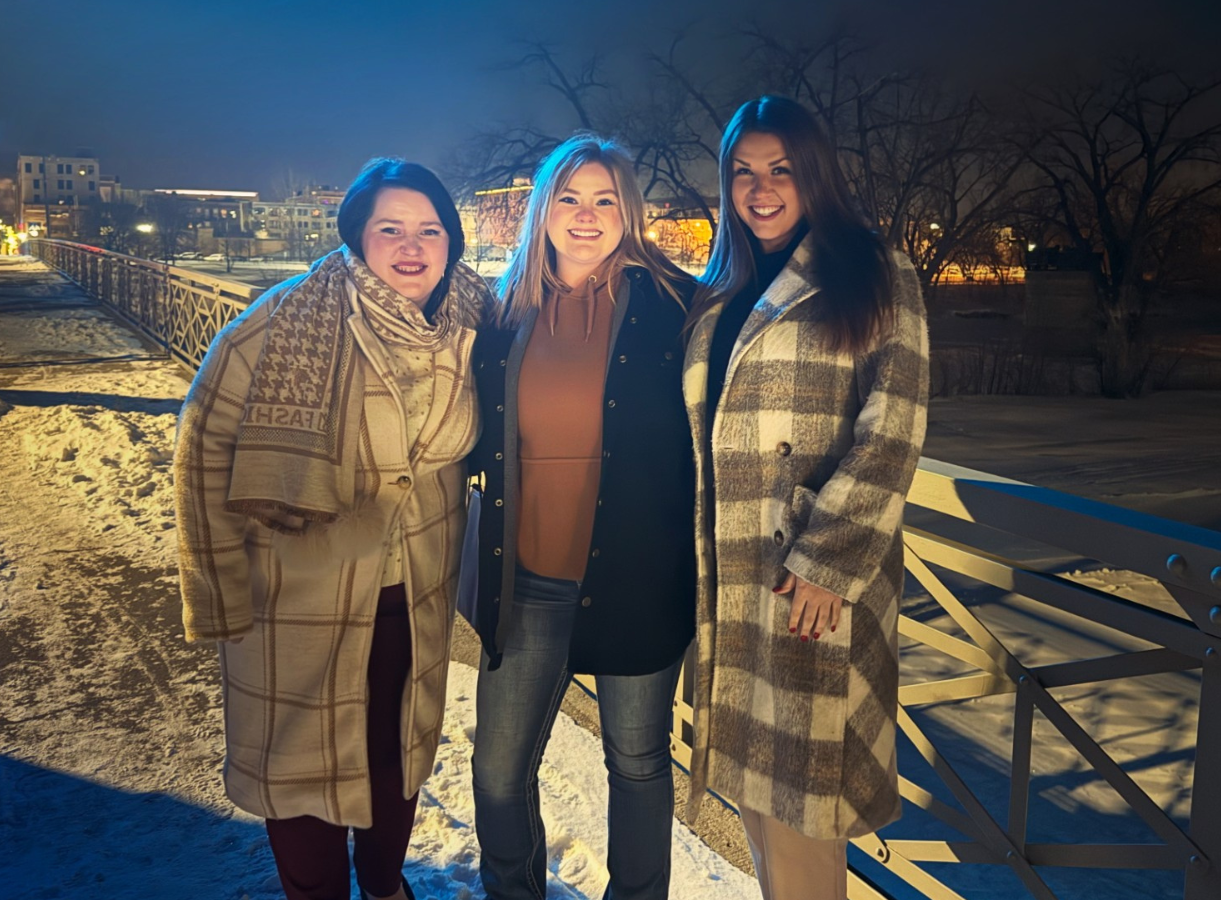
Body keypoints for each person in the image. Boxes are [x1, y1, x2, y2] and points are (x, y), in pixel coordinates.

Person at [175, 158, 490, 900]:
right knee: (302, 770)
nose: (411, 246)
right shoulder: (285, 320)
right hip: (298, 596)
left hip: (415, 590)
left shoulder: (474, 321)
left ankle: (385, 886)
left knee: (397, 756)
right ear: (356, 235)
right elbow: (204, 451)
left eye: (429, 229)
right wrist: (217, 590)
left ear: (452, 242)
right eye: (390, 228)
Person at [680, 95, 930, 900]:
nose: (760, 188)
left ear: (814, 173)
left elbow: (894, 431)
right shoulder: (722, 284)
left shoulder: (875, 270)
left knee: (803, 806)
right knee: (759, 796)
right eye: (743, 172)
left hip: (804, 580)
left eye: (780, 169)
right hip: (729, 575)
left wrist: (827, 559)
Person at [461, 133, 698, 900]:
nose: (587, 216)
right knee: (497, 773)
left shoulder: (677, 307)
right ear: (543, 209)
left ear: (629, 212)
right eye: (569, 198)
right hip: (523, 585)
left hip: (636, 578)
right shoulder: (501, 310)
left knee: (637, 763)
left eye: (605, 200)